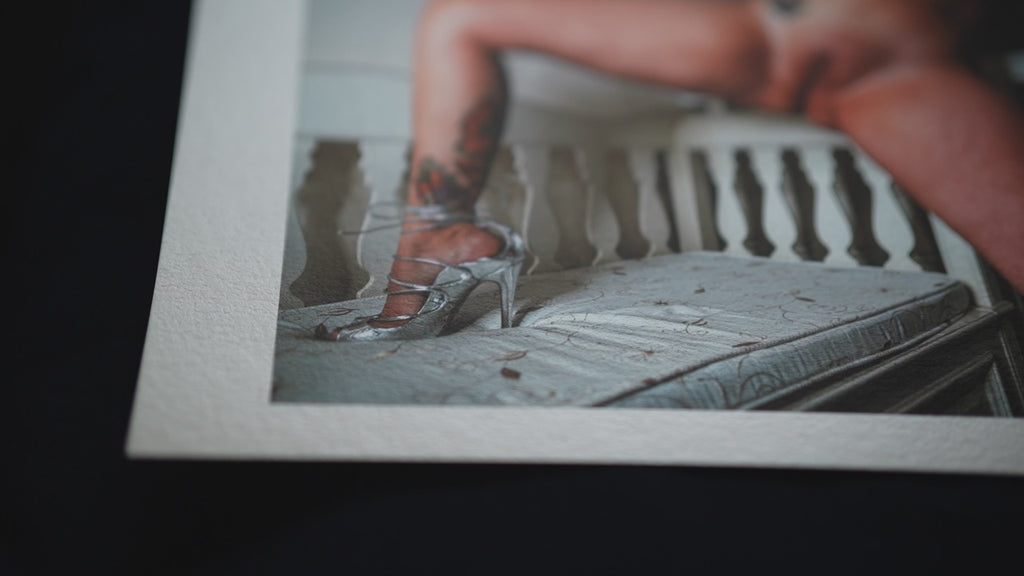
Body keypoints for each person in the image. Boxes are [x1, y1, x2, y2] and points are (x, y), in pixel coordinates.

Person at [317, 0, 1024, 342]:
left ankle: (433, 240)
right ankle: (432, 238)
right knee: (460, 18)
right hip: (856, 54)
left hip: (859, 60)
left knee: (460, 18)